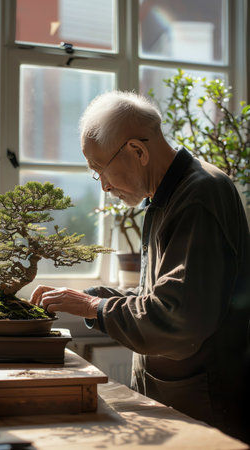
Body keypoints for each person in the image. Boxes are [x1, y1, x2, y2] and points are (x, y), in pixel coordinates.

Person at [30, 91, 250, 443]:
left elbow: (178, 320)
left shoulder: (200, 196)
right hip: (177, 397)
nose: (102, 185)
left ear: (137, 151)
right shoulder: (168, 197)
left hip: (204, 405)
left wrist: (94, 308)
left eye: (100, 169)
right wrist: (90, 298)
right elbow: (159, 295)